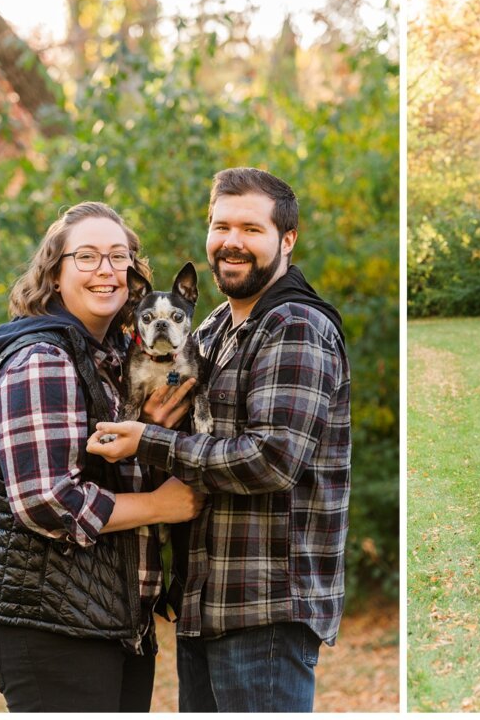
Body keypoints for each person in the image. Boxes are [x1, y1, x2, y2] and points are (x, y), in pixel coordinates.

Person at [88, 167, 351, 713]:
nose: (232, 242)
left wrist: (148, 441)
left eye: (251, 229)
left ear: (287, 239)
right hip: (204, 602)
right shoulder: (209, 330)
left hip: (265, 607)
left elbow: (273, 460)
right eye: (221, 226)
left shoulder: (295, 324)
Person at [0, 201, 205, 712]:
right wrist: (164, 505)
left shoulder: (110, 361)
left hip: (107, 613)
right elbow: (47, 499)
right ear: (55, 272)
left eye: (118, 256)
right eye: (86, 256)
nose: (106, 270)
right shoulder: (43, 359)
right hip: (45, 612)